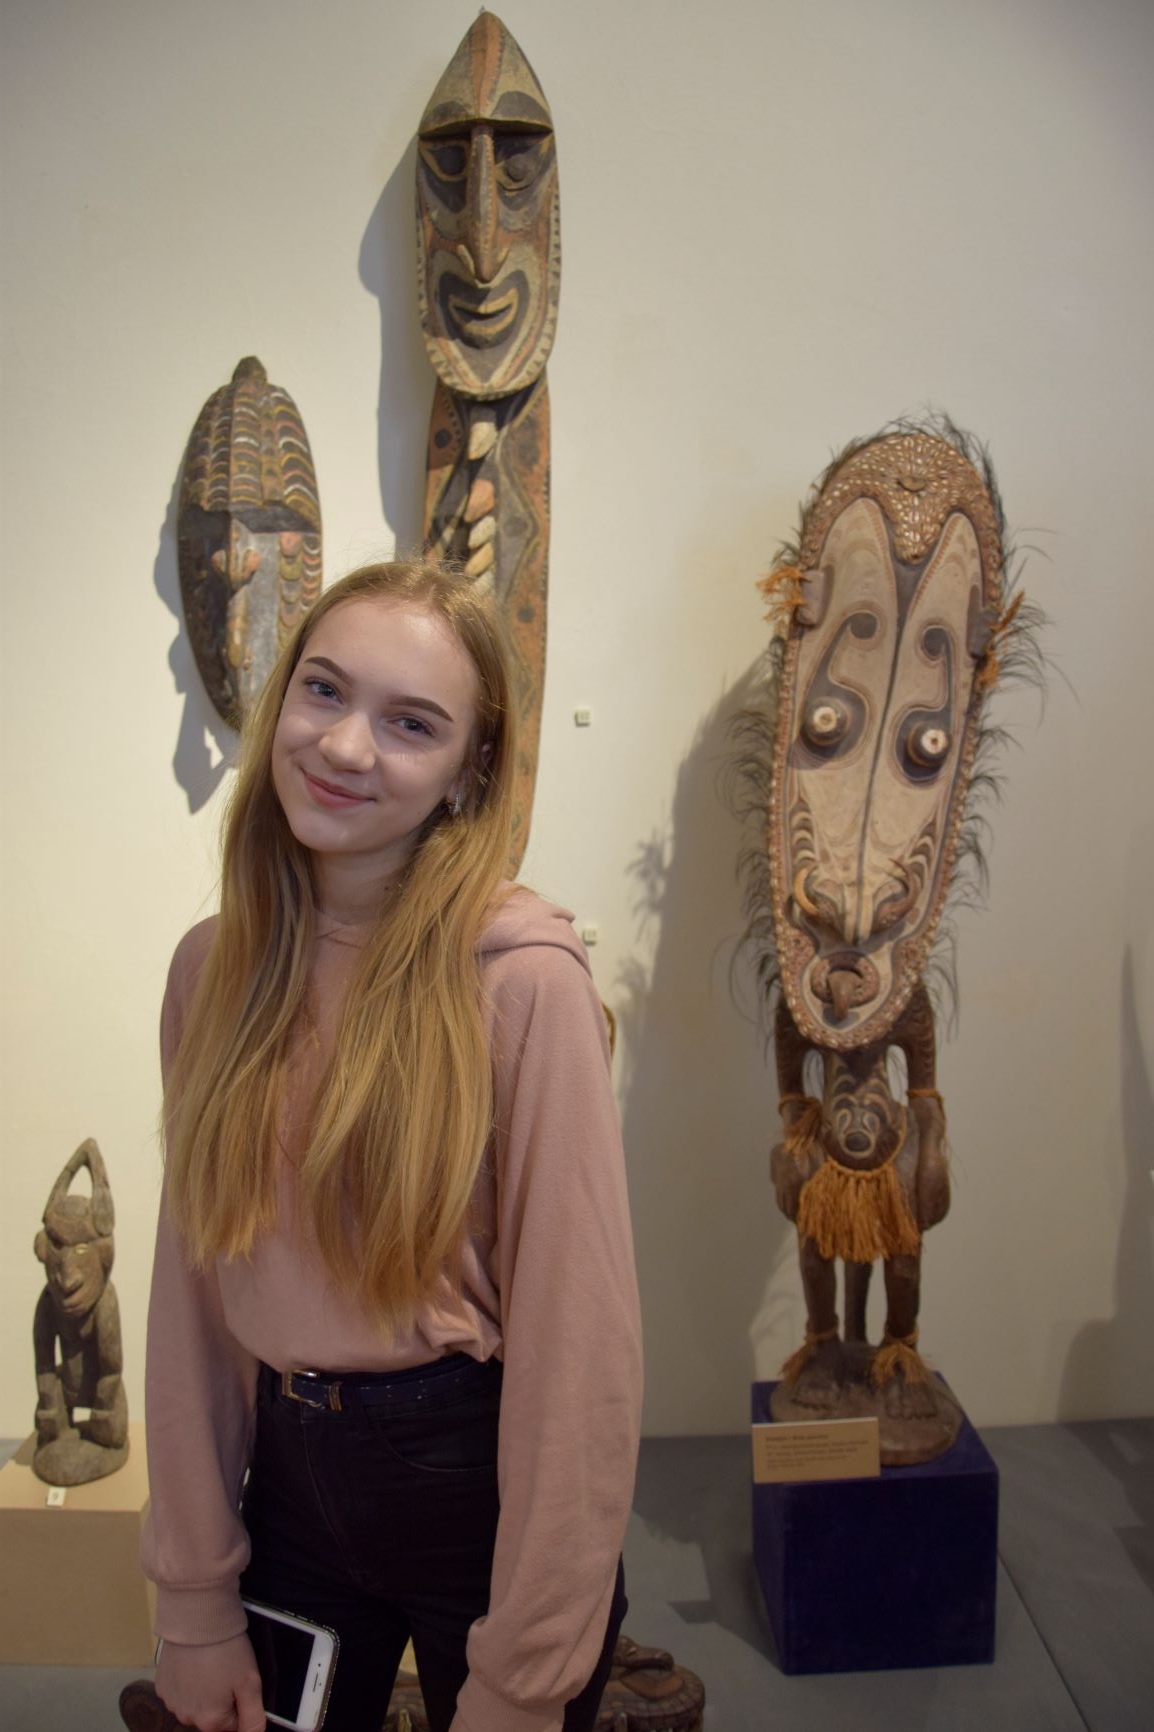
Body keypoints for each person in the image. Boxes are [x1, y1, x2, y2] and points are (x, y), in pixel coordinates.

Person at [142, 561, 643, 1732]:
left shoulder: (522, 984)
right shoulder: (212, 969)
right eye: (323, 690)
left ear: (470, 768)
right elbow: (195, 1295)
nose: (344, 746)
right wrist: (193, 1598)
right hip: (288, 1487)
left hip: (470, 1486)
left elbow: (579, 1348)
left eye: (410, 723)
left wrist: (526, 1673)